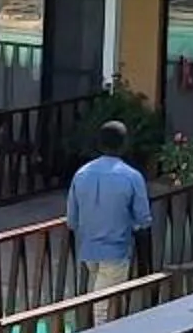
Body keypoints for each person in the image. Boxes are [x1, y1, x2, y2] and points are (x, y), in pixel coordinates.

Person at [65, 120, 153, 294]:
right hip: (116, 249)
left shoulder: (81, 174)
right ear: (124, 144)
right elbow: (143, 219)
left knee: (95, 294)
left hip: (88, 248)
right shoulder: (132, 177)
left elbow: (72, 220)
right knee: (104, 306)